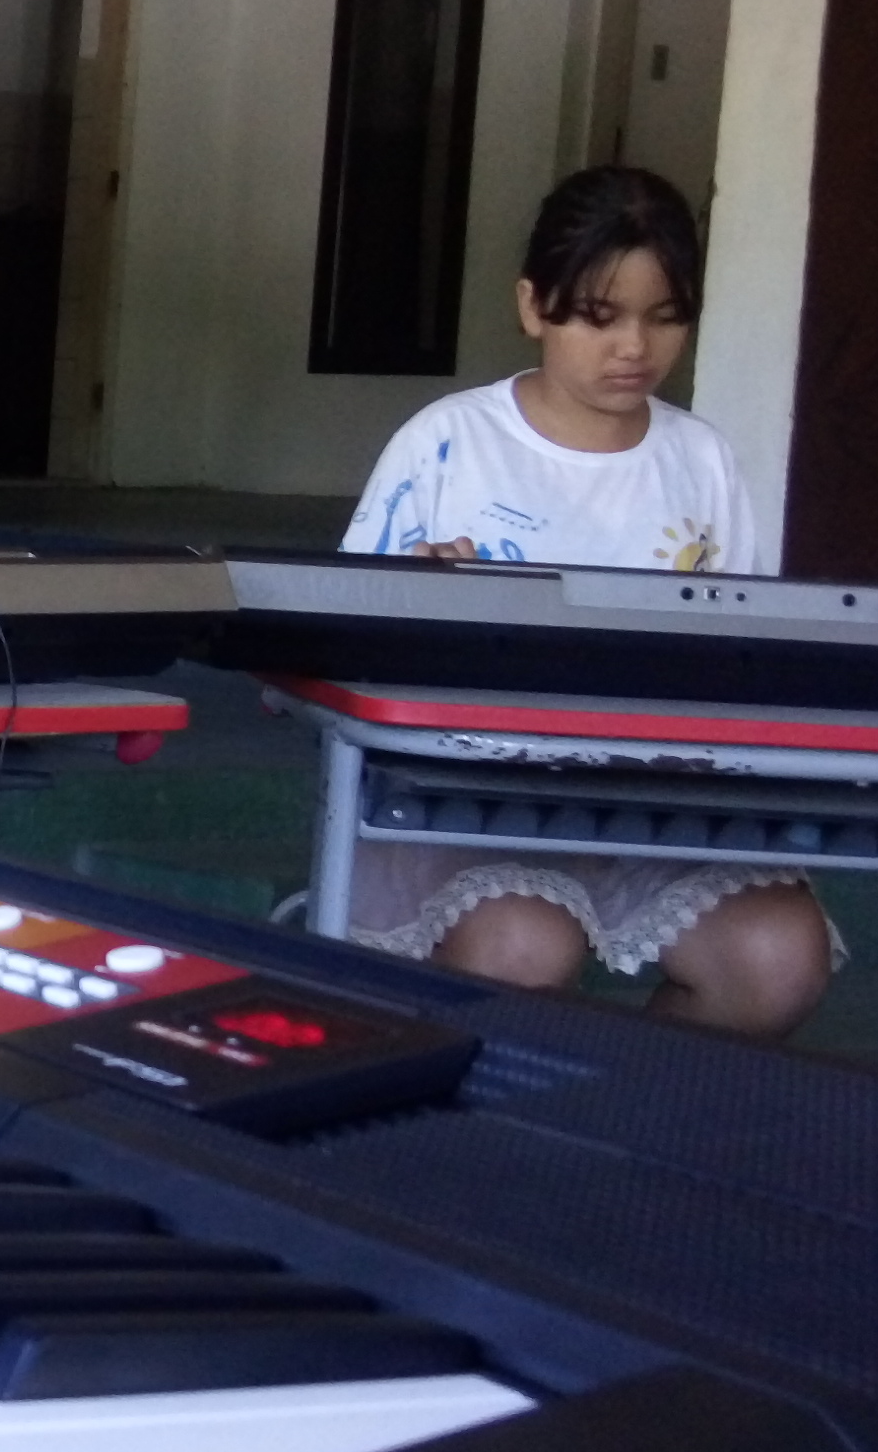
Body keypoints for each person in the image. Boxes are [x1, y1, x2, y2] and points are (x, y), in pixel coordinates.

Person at [340, 164, 831, 1036]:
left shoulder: (703, 461)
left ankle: (627, 1105)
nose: (634, 347)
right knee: (524, 947)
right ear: (533, 306)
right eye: (600, 318)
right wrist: (415, 596)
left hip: (652, 804)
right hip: (467, 804)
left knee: (778, 956)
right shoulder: (448, 443)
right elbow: (334, 638)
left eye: (665, 316)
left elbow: (742, 646)